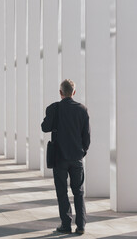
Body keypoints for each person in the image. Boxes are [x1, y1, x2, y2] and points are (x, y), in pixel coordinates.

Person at [41, 79, 90, 235]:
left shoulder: (54, 108)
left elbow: (45, 127)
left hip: (59, 158)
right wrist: (82, 152)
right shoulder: (83, 110)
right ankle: (81, 225)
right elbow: (87, 137)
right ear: (73, 92)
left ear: (60, 92)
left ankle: (66, 224)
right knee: (79, 192)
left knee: (62, 192)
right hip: (77, 158)